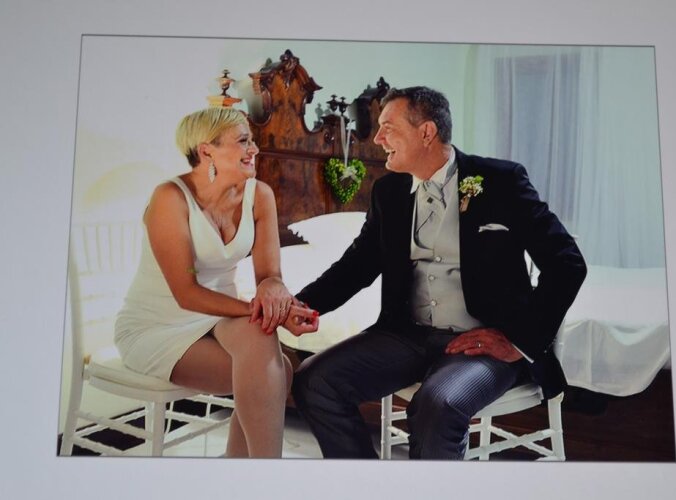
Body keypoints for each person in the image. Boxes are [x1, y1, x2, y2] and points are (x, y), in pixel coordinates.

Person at [291, 86, 587, 459]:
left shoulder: (500, 180)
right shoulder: (388, 192)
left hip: (481, 345)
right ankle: (364, 481)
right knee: (314, 381)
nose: (378, 139)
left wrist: (518, 341)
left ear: (426, 132)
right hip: (407, 335)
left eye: (388, 128)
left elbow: (567, 263)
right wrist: (303, 304)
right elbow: (358, 265)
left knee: (439, 403)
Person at [114, 107, 319, 458]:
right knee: (277, 372)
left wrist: (275, 293)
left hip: (217, 318)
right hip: (158, 326)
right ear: (207, 151)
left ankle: (248, 469)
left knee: (264, 345)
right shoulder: (170, 198)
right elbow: (186, 293)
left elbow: (269, 274)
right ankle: (259, 471)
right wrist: (265, 310)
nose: (254, 149)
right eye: (243, 141)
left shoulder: (260, 195)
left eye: (251, 140)